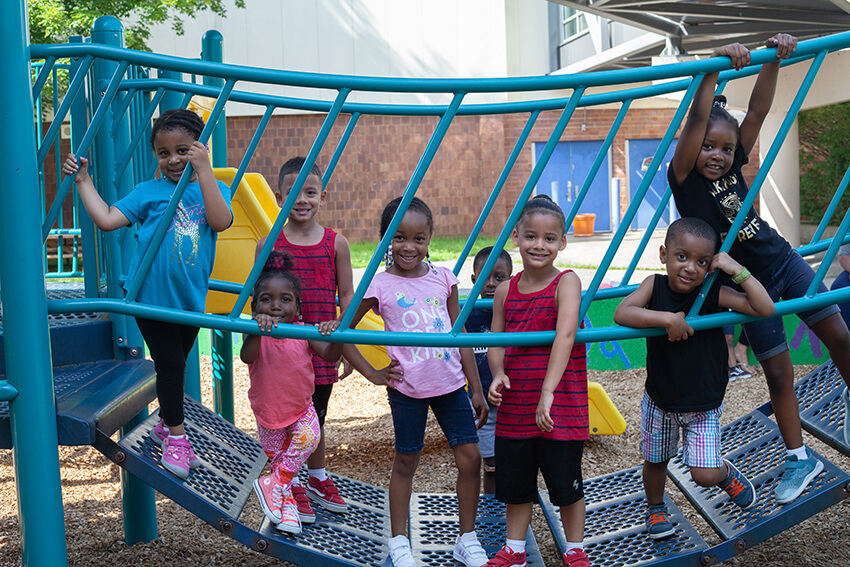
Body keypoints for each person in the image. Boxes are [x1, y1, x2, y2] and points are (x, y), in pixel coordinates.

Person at [667, 33, 850, 503]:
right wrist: (714, 69)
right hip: (746, 287)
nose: (719, 155)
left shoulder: (731, 168)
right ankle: (798, 459)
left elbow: (758, 113)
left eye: (727, 150)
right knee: (779, 374)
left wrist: (773, 61)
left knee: (840, 335)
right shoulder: (684, 177)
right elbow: (696, 120)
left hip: (783, 262)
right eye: (709, 146)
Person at [62, 109, 233, 480]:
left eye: (183, 150)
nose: (173, 160)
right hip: (149, 298)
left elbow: (221, 222)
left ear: (201, 150)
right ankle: (175, 436)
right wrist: (83, 181)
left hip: (189, 300)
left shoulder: (213, 189)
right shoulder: (148, 193)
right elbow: (107, 219)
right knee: (170, 365)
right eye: (163, 152)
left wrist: (203, 171)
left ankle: (164, 425)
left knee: (176, 364)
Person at [324, 196, 489, 567]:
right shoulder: (379, 284)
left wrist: (476, 387)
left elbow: (458, 333)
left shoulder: (444, 280)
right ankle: (399, 542)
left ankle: (467, 538)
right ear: (385, 240)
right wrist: (371, 372)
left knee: (471, 457)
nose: (408, 247)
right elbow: (343, 330)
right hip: (407, 389)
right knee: (405, 461)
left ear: (430, 239)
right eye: (399, 238)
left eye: (418, 238)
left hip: (450, 385)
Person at [614, 218, 775, 539]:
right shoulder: (654, 286)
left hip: (704, 403)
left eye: (702, 261)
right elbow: (623, 313)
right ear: (664, 254)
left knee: (703, 474)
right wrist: (666, 319)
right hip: (660, 400)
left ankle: (724, 471)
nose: (690, 268)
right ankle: (655, 507)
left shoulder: (712, 293)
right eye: (682, 257)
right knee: (656, 461)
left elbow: (765, 307)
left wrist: (736, 270)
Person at [486, 195, 590, 567]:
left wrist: (547, 392)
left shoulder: (567, 283)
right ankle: (514, 547)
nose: (539, 246)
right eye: (531, 236)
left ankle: (574, 547)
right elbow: (495, 341)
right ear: (516, 237)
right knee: (516, 483)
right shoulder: (505, 290)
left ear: (562, 242)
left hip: (558, 405)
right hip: (516, 407)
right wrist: (497, 373)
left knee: (566, 483)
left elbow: (565, 335)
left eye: (549, 239)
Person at [254, 157, 354, 522]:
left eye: (310, 192)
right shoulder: (269, 244)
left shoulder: (335, 243)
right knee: (287, 418)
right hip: (282, 352)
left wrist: (341, 340)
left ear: (322, 196)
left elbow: (347, 298)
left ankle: (314, 477)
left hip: (321, 347)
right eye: (294, 193)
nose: (302, 200)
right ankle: (289, 481)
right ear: (279, 197)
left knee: (315, 419)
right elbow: (258, 296)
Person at [241, 250, 343, 535]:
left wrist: (335, 334)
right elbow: (247, 357)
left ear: (298, 308)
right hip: (269, 414)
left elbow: (330, 355)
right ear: (255, 306)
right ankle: (286, 510)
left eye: (285, 299)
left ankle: (273, 486)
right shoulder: (255, 331)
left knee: (311, 437)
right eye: (266, 299)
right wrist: (256, 331)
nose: (275, 306)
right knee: (280, 466)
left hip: (301, 409)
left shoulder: (304, 331)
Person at [466, 246, 513, 494]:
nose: (491, 284)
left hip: (511, 400)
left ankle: (515, 503)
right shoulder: (467, 316)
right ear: (474, 280)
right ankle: (492, 506)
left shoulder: (512, 313)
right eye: (484, 278)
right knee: (491, 462)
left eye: (499, 277)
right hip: (482, 401)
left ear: (510, 280)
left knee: (515, 458)